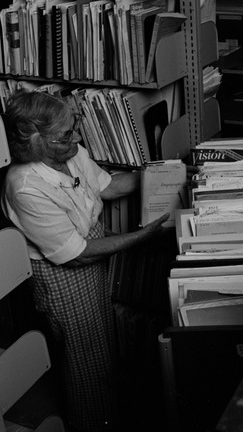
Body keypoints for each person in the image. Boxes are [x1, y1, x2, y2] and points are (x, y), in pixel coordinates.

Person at [0, 89, 178, 431]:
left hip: (89, 256)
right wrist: (141, 236)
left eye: (74, 126)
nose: (77, 137)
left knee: (101, 350)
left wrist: (159, 175)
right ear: (37, 142)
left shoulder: (68, 152)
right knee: (84, 363)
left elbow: (107, 186)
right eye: (67, 134)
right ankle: (91, 423)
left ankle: (107, 416)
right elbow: (76, 255)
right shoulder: (24, 186)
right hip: (64, 276)